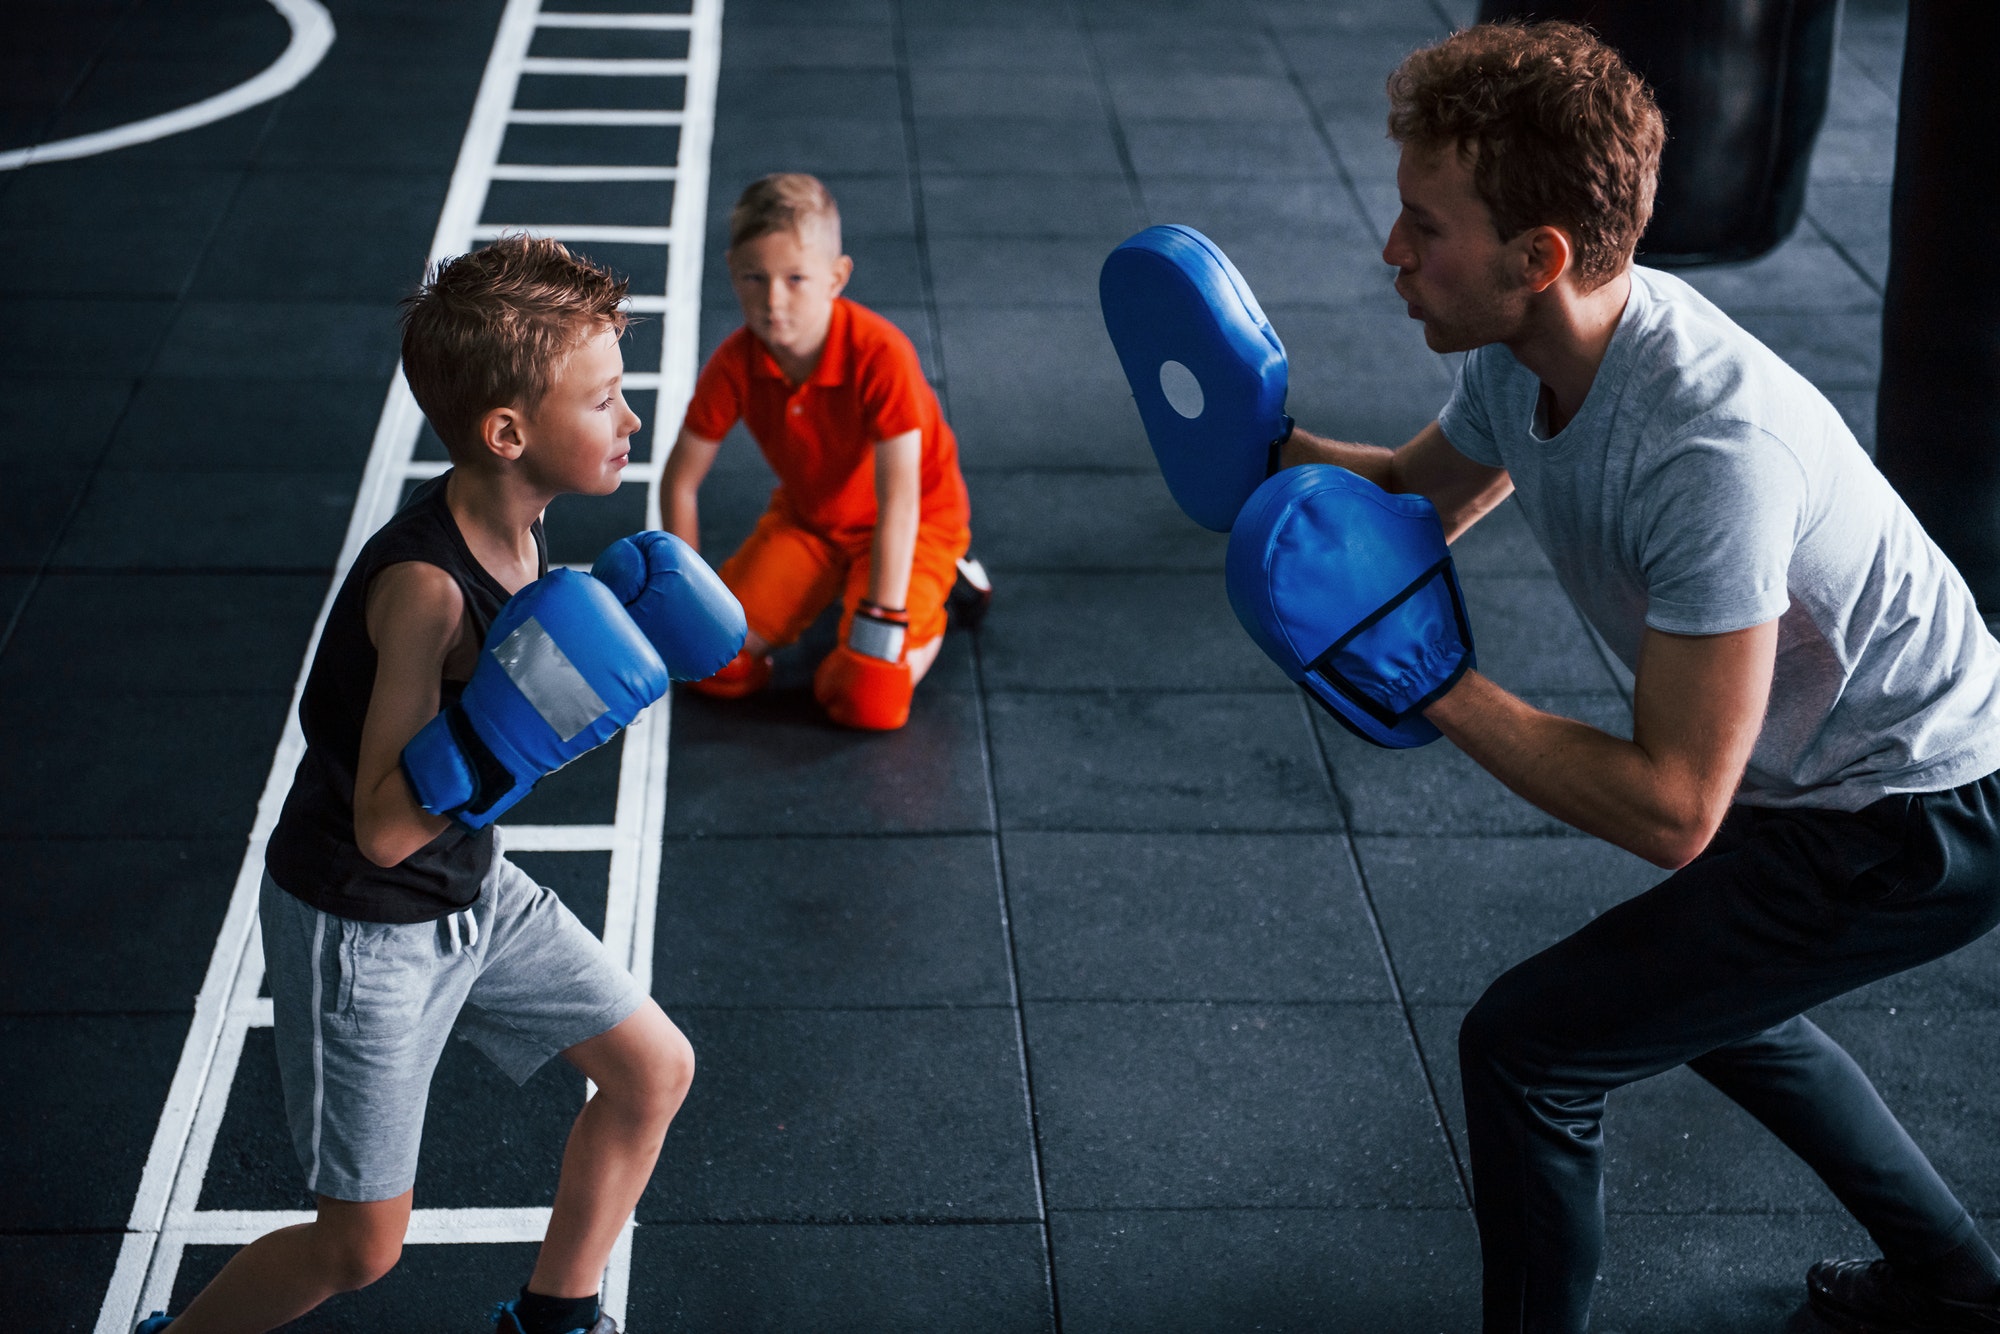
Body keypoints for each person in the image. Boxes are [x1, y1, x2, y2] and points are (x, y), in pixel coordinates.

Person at [1276, 22, 2000, 1334]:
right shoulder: (1524, 352)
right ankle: (1957, 1280)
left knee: (1530, 1047)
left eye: (1423, 226)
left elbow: (1674, 809)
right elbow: (1407, 499)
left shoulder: (1709, 454)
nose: (1392, 250)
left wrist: (1436, 683)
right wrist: (1257, 449)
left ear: (1537, 256)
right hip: (1823, 765)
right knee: (1721, 1006)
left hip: (1920, 807)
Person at [139, 236, 696, 1334]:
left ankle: (555, 1314)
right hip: (364, 919)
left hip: (470, 886)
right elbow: (387, 825)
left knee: (651, 1069)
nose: (630, 419)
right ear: (508, 432)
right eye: (604, 398)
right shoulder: (425, 593)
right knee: (360, 1246)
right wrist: (516, 732)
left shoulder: (523, 528)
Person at [661, 172, 976, 731]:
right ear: (733, 272)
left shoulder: (882, 356)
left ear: (836, 278)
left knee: (868, 698)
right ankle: (834, 595)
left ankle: (939, 593)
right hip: (812, 521)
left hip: (913, 526)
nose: (772, 301)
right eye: (754, 278)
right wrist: (685, 594)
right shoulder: (735, 362)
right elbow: (680, 480)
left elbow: (900, 502)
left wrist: (882, 622)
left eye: (796, 279)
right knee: (712, 666)